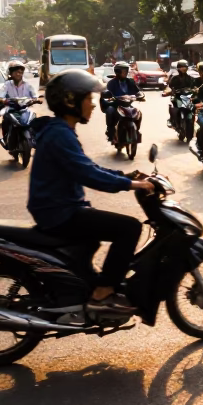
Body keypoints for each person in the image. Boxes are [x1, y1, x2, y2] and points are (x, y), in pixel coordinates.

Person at [29, 69, 155, 315]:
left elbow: (87, 166)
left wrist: (125, 176)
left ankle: (85, 285)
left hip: (58, 207)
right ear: (70, 101)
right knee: (129, 227)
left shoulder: (60, 130)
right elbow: (88, 174)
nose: (93, 105)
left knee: (91, 240)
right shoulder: (59, 134)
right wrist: (131, 185)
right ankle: (103, 292)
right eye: (88, 99)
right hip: (59, 212)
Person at [0, 61, 38, 143]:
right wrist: (2, 99)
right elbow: (1, 95)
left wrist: (36, 100)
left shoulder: (27, 84)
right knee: (5, 119)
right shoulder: (7, 84)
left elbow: (34, 96)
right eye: (16, 72)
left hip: (24, 109)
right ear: (11, 73)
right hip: (11, 109)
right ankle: (5, 138)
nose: (18, 74)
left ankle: (34, 138)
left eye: (20, 72)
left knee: (34, 118)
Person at [103, 62, 141, 144]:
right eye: (123, 71)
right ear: (117, 72)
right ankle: (110, 132)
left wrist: (140, 96)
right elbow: (107, 94)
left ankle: (136, 131)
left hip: (127, 104)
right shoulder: (111, 83)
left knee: (138, 113)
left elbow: (137, 92)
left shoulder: (130, 81)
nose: (125, 72)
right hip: (115, 105)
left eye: (126, 70)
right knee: (109, 111)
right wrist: (111, 98)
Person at [162, 59, 198, 129]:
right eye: (181, 67)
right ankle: (172, 120)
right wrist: (169, 91)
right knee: (174, 107)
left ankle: (192, 122)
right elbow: (169, 87)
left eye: (185, 67)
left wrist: (195, 90)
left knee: (193, 107)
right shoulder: (174, 78)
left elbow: (194, 87)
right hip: (177, 97)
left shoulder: (190, 78)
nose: (183, 68)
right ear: (178, 68)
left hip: (187, 97)